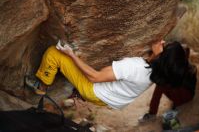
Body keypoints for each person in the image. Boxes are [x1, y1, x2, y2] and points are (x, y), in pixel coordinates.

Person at [25, 39, 164, 109]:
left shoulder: (134, 66)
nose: (162, 42)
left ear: (162, 58)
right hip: (111, 101)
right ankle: (78, 94)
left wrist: (71, 55)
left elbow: (95, 77)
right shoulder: (158, 73)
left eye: (165, 48)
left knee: (53, 53)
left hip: (93, 90)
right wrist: (157, 54)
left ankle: (41, 88)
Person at [138, 42, 197, 123]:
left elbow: (186, 49)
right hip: (181, 94)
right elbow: (186, 49)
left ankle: (153, 113)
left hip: (186, 96)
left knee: (161, 84)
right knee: (162, 83)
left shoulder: (186, 69)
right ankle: (153, 113)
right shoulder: (181, 64)